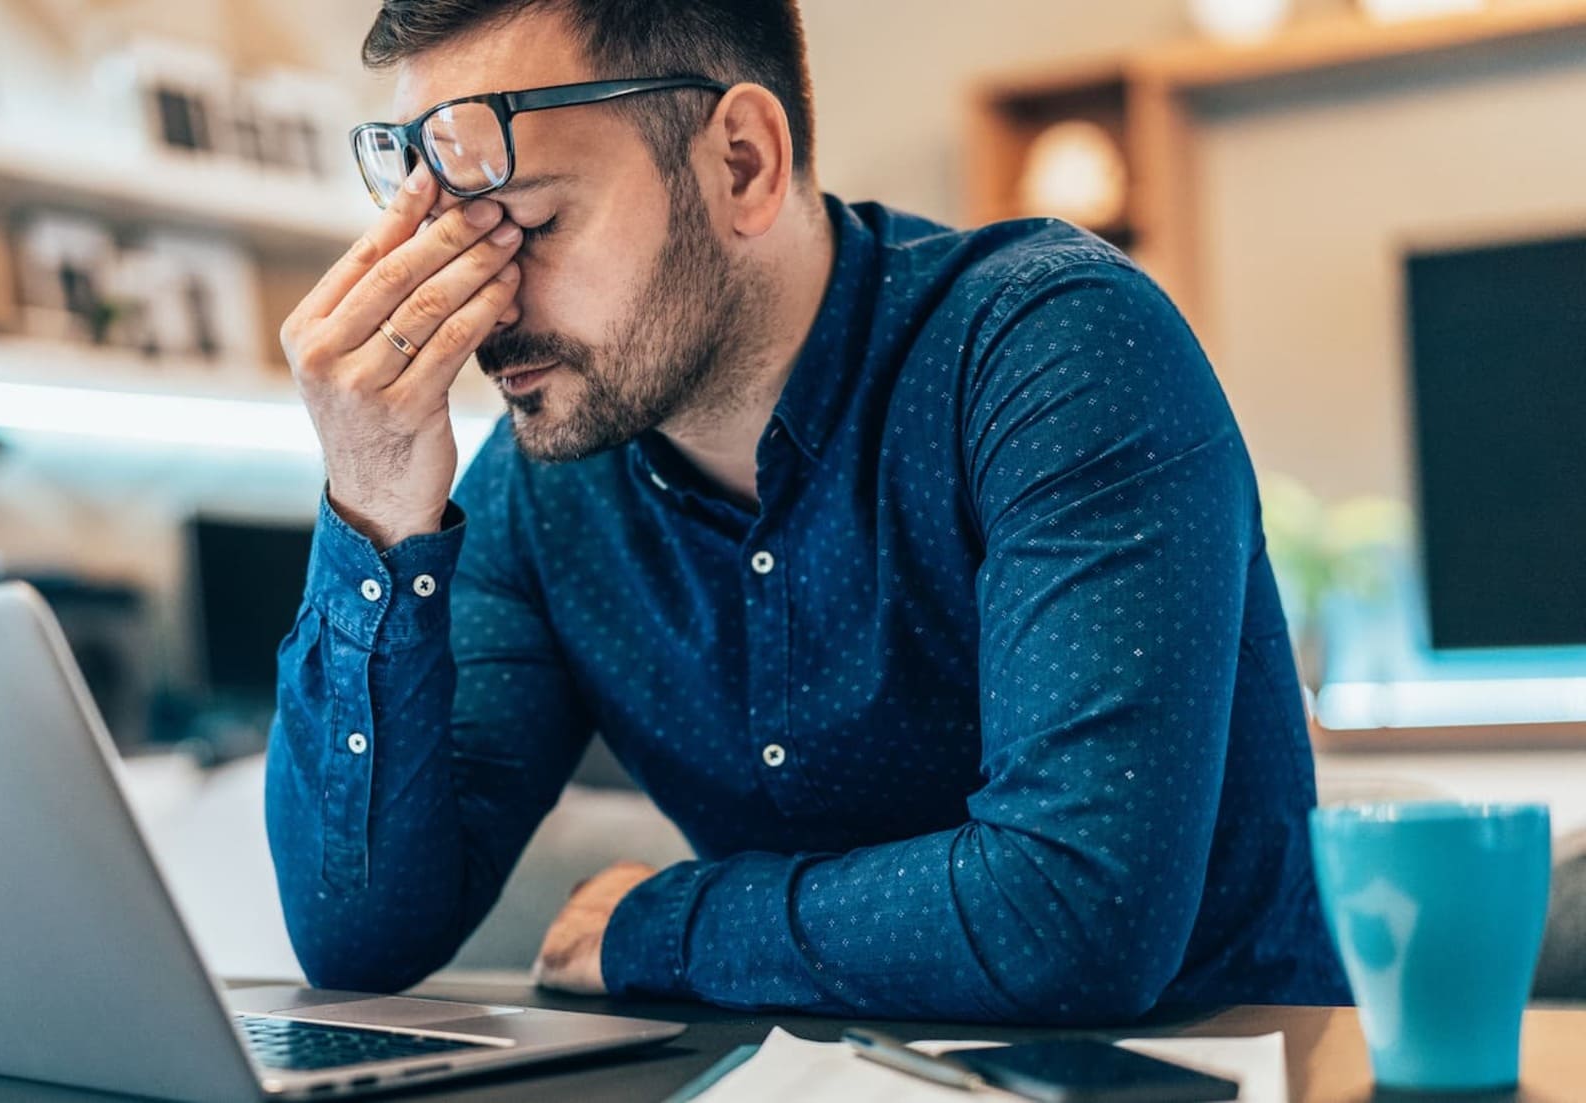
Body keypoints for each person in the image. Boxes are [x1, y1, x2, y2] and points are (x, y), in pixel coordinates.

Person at [266, 0, 1348, 1023]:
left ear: (742, 162)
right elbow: (360, 939)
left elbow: (1073, 912)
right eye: (450, 246)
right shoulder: (546, 484)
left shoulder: (1056, 351)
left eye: (534, 226)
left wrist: (667, 921)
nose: (484, 307)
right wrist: (373, 502)